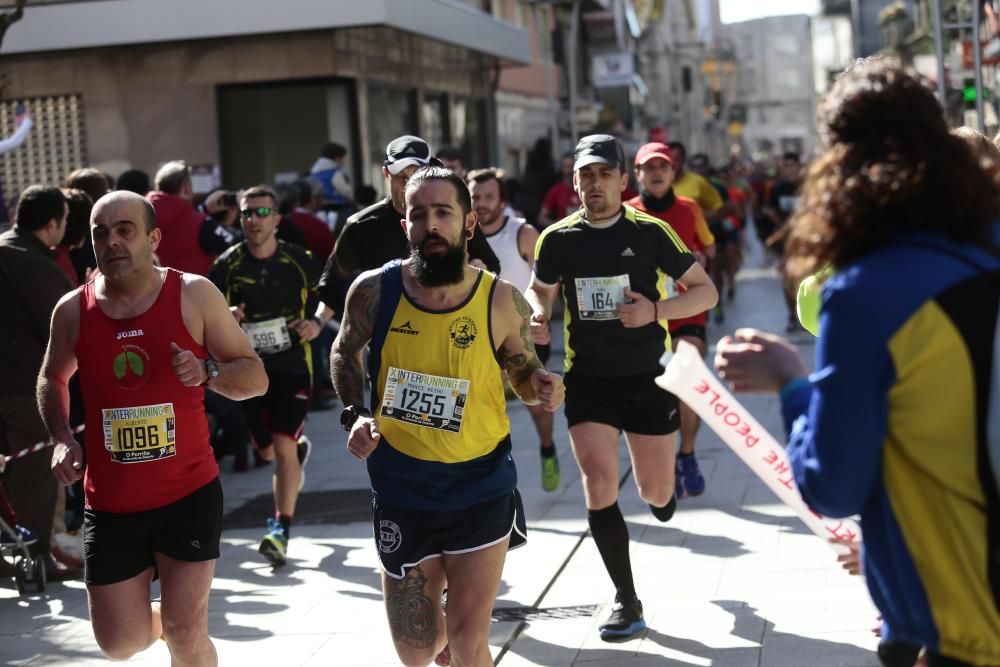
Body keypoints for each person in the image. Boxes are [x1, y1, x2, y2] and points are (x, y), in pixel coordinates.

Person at [714, 58, 1000, 667]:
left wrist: (792, 383)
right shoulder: (984, 250)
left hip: (963, 619)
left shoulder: (866, 292)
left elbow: (833, 484)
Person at [331, 166, 563, 666]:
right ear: (405, 226)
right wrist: (354, 414)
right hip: (402, 487)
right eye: (419, 215)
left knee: (466, 641)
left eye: (443, 213)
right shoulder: (374, 291)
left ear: (469, 223)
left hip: (480, 484)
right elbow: (344, 351)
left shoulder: (501, 299)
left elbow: (524, 372)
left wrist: (541, 385)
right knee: (416, 652)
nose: (431, 225)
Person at [41, 190, 267, 663]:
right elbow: (51, 377)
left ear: (153, 238)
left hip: (188, 493)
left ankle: (186, 626)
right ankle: (178, 622)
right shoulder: (72, 310)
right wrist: (61, 437)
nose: (112, 242)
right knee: (119, 643)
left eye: (126, 231)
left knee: (187, 635)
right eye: (101, 234)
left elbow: (255, 376)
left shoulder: (193, 294)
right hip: (111, 503)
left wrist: (208, 372)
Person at [526, 134, 718, 641]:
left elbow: (705, 291)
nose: (594, 184)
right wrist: (538, 314)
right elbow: (539, 289)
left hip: (648, 377)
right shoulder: (557, 239)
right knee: (598, 485)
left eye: (603, 174)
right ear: (574, 182)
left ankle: (663, 495)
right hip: (588, 378)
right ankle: (627, 602)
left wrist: (654, 310)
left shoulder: (651, 232)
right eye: (585, 175)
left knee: (656, 492)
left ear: (621, 180)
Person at [208, 185, 323, 566]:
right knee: (267, 450)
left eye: (261, 213)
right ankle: (295, 450)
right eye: (246, 213)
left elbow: (330, 294)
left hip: (292, 365)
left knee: (283, 447)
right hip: (247, 369)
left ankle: (279, 529)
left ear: (276, 219)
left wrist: (316, 322)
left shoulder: (298, 259)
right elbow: (207, 312)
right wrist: (228, 317)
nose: (253, 221)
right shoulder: (227, 265)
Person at [317, 135, 500, 320]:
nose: (408, 186)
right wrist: (369, 316)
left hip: (451, 326)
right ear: (386, 174)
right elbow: (330, 288)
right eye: (401, 178)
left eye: (416, 177)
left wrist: (480, 269)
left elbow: (492, 266)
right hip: (390, 336)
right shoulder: (361, 225)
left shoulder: (454, 215)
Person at [627, 142, 716, 499]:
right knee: (655, 390)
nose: (657, 173)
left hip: (686, 309)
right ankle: (663, 458)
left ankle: (688, 453)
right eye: (649, 168)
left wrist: (701, 261)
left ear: (673, 171)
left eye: (663, 166)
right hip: (643, 315)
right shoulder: (627, 213)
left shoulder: (689, 208)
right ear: (637, 175)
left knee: (688, 377)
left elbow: (708, 247)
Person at [0, 185, 76, 581]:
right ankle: (36, 559)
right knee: (35, 477)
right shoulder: (37, 267)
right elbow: (65, 329)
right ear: (52, 224)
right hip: (23, 386)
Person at [468, 167, 561, 492]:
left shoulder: (523, 233)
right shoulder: (461, 237)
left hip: (525, 335)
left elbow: (547, 283)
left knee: (537, 405)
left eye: (489, 197)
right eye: (475, 197)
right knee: (483, 407)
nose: (481, 203)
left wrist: (540, 316)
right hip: (479, 339)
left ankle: (548, 448)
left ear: (502, 199)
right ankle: (489, 471)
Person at [537, 153, 581, 229]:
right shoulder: (555, 191)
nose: (569, 171)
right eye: (566, 167)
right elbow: (541, 218)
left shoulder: (584, 189)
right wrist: (558, 225)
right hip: (565, 235)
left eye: (572, 167)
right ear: (562, 169)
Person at [309, 141, 355, 211]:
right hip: (336, 208)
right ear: (336, 158)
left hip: (319, 209)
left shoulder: (314, 172)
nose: (343, 161)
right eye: (342, 158)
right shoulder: (334, 173)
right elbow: (346, 192)